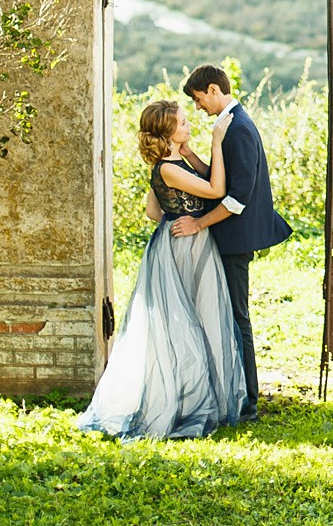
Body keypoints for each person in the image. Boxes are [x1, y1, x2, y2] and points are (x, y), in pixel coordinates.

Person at [76, 99, 248, 440]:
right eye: (183, 124)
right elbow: (216, 190)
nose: (188, 126)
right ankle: (185, 399)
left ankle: (193, 393)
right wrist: (215, 144)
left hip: (183, 243)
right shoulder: (168, 169)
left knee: (195, 317)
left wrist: (180, 206)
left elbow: (153, 213)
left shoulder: (167, 165)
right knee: (182, 322)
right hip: (185, 247)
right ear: (168, 133)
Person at [168, 64, 292, 423]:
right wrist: (191, 153)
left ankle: (249, 403)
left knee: (238, 318)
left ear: (212, 89)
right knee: (227, 315)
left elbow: (236, 198)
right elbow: (218, 179)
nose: (197, 108)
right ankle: (231, 392)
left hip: (234, 240)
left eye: (197, 100)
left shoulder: (238, 129)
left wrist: (198, 224)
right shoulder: (230, 125)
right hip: (229, 238)